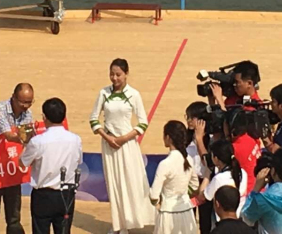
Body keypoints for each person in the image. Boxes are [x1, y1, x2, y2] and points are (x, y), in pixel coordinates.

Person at [89, 58, 154, 234]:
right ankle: (118, 224)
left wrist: (124, 139)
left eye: (118, 74)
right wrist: (107, 137)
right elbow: (93, 119)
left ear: (126, 74)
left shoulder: (134, 94)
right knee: (114, 183)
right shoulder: (103, 93)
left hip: (127, 146)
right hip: (109, 145)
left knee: (130, 181)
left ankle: (130, 221)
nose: (115, 78)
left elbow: (143, 123)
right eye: (112, 74)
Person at [19, 98, 82, 234]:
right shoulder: (76, 140)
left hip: (43, 197)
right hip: (66, 194)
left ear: (44, 117)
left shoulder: (37, 141)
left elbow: (23, 162)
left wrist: (26, 143)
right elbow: (78, 161)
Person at [0, 83, 34, 234]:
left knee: (14, 215)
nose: (26, 106)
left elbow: (26, 138)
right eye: (23, 102)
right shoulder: (0, 108)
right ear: (13, 98)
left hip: (12, 168)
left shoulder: (28, 114)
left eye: (29, 102)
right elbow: (9, 135)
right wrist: (28, 138)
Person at [150, 120, 199, 234]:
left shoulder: (165, 164)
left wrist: (159, 203)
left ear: (168, 138)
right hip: (186, 212)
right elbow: (195, 185)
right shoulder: (189, 160)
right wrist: (183, 192)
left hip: (168, 214)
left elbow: (153, 196)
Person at [196, 139, 248, 223]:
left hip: (223, 220)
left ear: (216, 159)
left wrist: (207, 174)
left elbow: (202, 197)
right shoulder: (242, 173)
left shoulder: (219, 179)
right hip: (240, 218)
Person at [185, 102, 212, 234]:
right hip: (189, 183)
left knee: (205, 223)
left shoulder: (211, 139)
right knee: (188, 221)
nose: (189, 120)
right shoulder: (185, 138)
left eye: (192, 117)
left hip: (205, 184)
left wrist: (199, 139)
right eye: (187, 117)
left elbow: (207, 163)